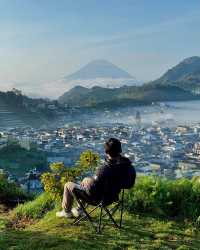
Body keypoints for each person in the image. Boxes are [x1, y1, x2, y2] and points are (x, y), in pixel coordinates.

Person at [56, 138, 134, 218]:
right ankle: (79, 209)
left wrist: (89, 185)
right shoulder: (128, 166)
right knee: (86, 180)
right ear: (120, 150)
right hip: (112, 198)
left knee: (68, 185)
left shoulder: (104, 169)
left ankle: (67, 212)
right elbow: (129, 184)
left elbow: (92, 189)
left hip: (98, 199)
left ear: (106, 152)